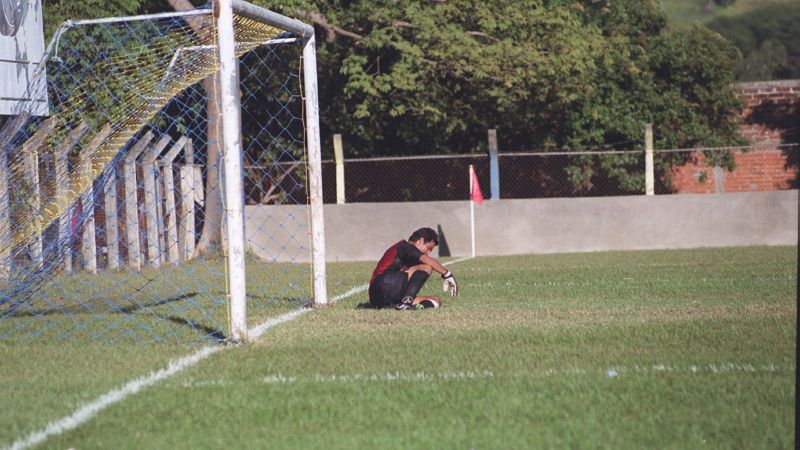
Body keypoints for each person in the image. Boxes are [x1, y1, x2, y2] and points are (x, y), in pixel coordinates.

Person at [369, 227, 458, 310]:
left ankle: (409, 307)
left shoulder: (410, 255)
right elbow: (426, 260)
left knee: (436, 300)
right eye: (428, 248)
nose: (428, 252)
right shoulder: (404, 246)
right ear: (420, 241)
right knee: (427, 266)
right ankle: (406, 303)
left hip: (379, 298)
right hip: (381, 285)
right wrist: (447, 274)